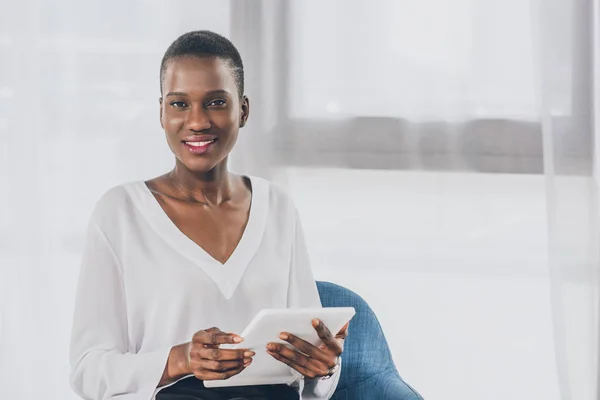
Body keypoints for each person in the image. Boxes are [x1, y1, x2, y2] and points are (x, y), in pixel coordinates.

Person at [69, 30, 348, 400]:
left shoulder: (277, 206)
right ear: (161, 112)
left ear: (243, 110)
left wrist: (323, 367)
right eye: (179, 104)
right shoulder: (120, 213)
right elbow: (88, 371)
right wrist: (180, 359)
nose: (197, 121)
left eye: (216, 102)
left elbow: (311, 354)